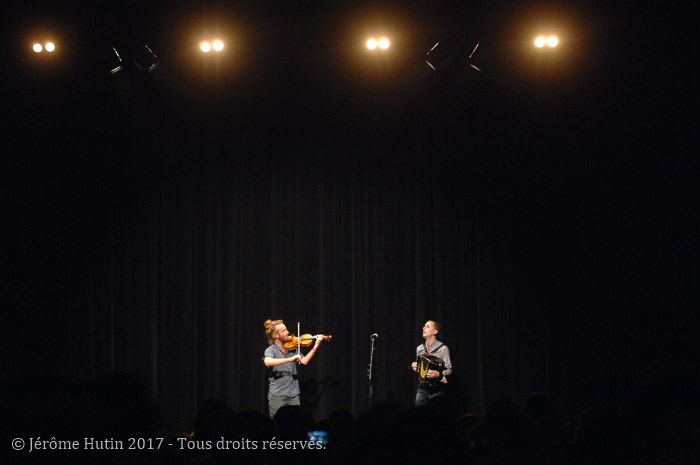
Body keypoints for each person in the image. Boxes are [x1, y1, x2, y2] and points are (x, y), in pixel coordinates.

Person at [263, 319, 323, 418]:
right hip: (278, 395)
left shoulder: (293, 348)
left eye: (286, 329)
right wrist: (289, 359)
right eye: (283, 331)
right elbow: (267, 362)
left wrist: (316, 346)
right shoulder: (271, 350)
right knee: (277, 422)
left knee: (296, 422)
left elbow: (304, 361)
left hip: (294, 395)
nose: (287, 332)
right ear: (275, 336)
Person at [411, 320, 453, 406]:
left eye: (427, 326)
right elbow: (419, 366)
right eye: (424, 326)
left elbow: (449, 369)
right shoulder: (420, 348)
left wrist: (439, 374)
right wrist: (414, 365)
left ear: (435, 331)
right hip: (422, 387)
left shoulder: (443, 349)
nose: (423, 328)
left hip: (437, 388)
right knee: (418, 412)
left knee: (436, 412)